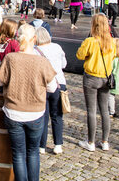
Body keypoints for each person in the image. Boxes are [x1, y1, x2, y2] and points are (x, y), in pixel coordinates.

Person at [0, 24, 57, 181]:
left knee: (18, 153)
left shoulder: (10, 59)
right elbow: (52, 88)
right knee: (33, 152)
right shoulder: (42, 62)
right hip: (35, 113)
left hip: (13, 112)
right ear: (34, 39)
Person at [76, 13, 117, 151]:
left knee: (91, 110)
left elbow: (79, 55)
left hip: (91, 78)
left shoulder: (90, 41)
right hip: (105, 78)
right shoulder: (112, 42)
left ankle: (91, 142)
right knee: (104, 110)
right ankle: (105, 141)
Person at [34, 27, 67, 155]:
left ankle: (41, 145)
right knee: (57, 115)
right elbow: (64, 64)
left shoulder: (35, 50)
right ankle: (58, 144)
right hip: (59, 83)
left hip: (43, 85)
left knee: (43, 115)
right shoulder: (57, 47)